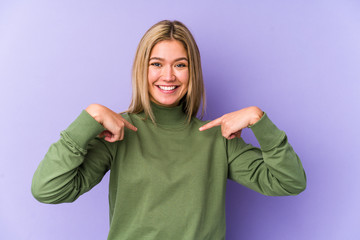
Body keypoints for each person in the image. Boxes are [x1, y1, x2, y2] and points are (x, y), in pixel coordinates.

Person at [32, 20, 306, 240]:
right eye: (157, 64)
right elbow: (48, 189)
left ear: (192, 72)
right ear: (143, 69)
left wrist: (259, 120)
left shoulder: (217, 139)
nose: (168, 76)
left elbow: (289, 182)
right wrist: (89, 119)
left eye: (180, 65)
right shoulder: (117, 134)